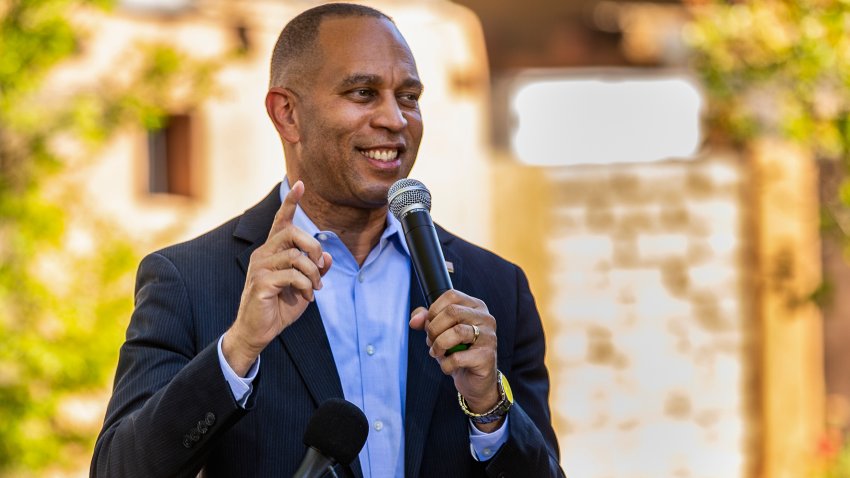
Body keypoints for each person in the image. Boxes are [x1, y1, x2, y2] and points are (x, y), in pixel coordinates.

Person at [91, 3, 564, 477]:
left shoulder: (496, 288)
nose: (395, 119)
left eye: (409, 96)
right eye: (362, 93)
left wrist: (489, 409)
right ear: (287, 114)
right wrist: (237, 350)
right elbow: (119, 470)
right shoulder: (190, 281)